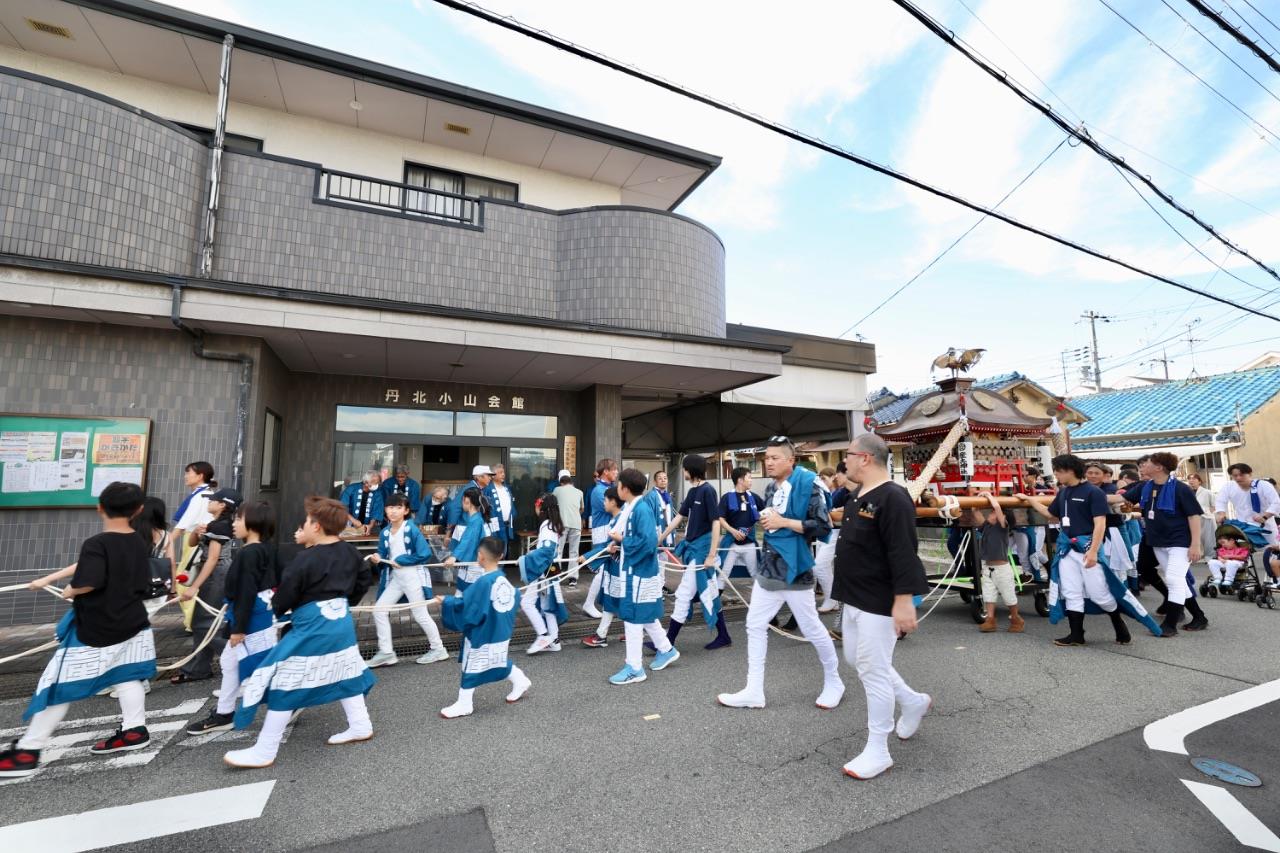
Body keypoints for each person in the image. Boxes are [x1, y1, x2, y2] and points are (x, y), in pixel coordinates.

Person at [0, 483, 155, 778]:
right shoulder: (138, 541)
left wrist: (71, 590)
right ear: (138, 511)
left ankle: (28, 752)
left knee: (58, 686)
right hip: (134, 623)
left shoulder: (97, 543)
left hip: (96, 630)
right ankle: (134, 730)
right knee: (127, 675)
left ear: (100, 507)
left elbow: (88, 581)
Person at [225, 497, 375, 768]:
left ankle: (265, 750)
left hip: (312, 625)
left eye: (306, 522)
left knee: (285, 680)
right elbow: (363, 580)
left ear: (316, 526)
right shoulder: (350, 552)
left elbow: (286, 596)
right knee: (345, 670)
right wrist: (344, 601)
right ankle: (360, 724)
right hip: (340, 621)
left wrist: (280, 609)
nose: (303, 526)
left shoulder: (305, 558)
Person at [717, 438, 843, 712]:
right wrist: (771, 522)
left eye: (775, 458)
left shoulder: (809, 484)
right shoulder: (771, 488)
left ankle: (835, 681)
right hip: (769, 565)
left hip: (796, 567)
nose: (769, 462)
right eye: (767, 457)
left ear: (791, 460)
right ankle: (753, 690)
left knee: (811, 628)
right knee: (754, 624)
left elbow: (824, 526)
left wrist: (782, 521)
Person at [830, 434, 930, 780]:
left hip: (878, 600)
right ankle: (912, 700)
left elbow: (903, 552)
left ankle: (878, 749)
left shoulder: (893, 497)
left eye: (848, 455)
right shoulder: (858, 495)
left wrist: (903, 601)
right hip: (854, 596)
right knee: (855, 659)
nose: (844, 461)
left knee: (873, 671)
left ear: (865, 458)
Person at [1019, 455, 1150, 646]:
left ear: (1070, 471)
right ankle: (1076, 634)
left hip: (1087, 546)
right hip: (1067, 549)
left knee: (1099, 593)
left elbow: (1100, 523)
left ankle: (1118, 623)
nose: (1056, 474)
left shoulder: (1093, 492)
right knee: (1071, 591)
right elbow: (1051, 514)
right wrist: (1030, 500)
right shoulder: (1063, 492)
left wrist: (1094, 551)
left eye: (1058, 470)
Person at [186, 501, 280, 735]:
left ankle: (287, 703)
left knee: (259, 668)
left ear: (254, 523)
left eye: (239, 519)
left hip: (251, 619)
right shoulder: (265, 548)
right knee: (233, 662)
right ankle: (224, 713)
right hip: (258, 614)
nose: (234, 524)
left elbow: (246, 591)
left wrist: (238, 628)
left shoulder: (249, 552)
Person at [440, 537, 532, 718]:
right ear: (501, 556)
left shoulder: (484, 582)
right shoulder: (503, 579)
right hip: (499, 632)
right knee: (497, 660)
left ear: (480, 556)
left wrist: (447, 601)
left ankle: (465, 704)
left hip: (484, 633)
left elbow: (468, 607)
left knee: (472, 664)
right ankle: (520, 680)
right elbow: (513, 598)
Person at [1117, 451, 1206, 636]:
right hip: (1158, 541)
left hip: (1180, 541)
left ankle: (1170, 624)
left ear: (1159, 467)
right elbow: (1120, 499)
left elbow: (1194, 516)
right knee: (1177, 581)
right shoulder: (1146, 486)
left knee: (1173, 579)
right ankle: (1199, 617)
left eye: (1148, 463)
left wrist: (1196, 544)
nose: (1144, 466)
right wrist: (1092, 496)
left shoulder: (1181, 489)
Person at [608, 469, 680, 685]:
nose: (617, 488)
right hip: (640, 571)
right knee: (645, 614)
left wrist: (622, 540)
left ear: (625, 488)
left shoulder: (639, 508)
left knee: (632, 617)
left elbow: (649, 543)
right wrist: (620, 543)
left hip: (638, 572)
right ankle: (666, 649)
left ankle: (634, 667)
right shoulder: (637, 506)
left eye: (619, 485)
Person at [365, 494, 450, 669]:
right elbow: (382, 553)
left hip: (412, 577)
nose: (393, 511)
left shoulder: (411, 529)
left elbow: (424, 553)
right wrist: (377, 557)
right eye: (390, 507)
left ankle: (438, 649)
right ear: (385, 510)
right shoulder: (385, 532)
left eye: (398, 508)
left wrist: (402, 560)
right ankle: (386, 652)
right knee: (379, 610)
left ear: (406, 510)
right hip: (396, 579)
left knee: (420, 615)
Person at [171, 488, 242, 685]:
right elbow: (192, 543)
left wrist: (194, 586)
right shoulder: (215, 524)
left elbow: (212, 559)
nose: (209, 502)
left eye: (213, 500)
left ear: (222, 505)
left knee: (206, 623)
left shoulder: (220, 526)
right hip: (214, 572)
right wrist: (196, 531)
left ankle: (242, 663)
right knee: (204, 622)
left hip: (216, 574)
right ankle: (198, 668)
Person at [660, 454, 728, 651]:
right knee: (709, 592)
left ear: (691, 470)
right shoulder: (693, 491)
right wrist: (660, 537)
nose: (683, 471)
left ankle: (667, 643)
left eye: (684, 468)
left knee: (684, 595)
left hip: (702, 551)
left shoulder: (708, 491)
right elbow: (679, 517)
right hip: (694, 549)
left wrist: (711, 555)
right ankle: (723, 635)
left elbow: (716, 523)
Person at [169, 461, 216, 628]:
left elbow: (183, 524)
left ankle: (192, 622)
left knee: (184, 580)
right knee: (189, 579)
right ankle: (192, 621)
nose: (185, 476)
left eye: (189, 472)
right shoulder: (205, 494)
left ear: (200, 475)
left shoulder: (201, 496)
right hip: (196, 539)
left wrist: (165, 543)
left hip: (195, 539)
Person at [521, 494, 568, 655]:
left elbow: (547, 551)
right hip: (549, 571)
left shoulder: (547, 526)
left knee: (526, 603)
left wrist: (526, 559)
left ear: (542, 508)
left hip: (544, 571)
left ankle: (543, 636)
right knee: (547, 607)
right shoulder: (552, 524)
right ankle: (554, 640)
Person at [579, 486, 625, 648]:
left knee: (619, 601)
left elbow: (609, 545)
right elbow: (609, 546)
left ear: (613, 502)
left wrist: (587, 557)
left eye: (605, 500)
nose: (603, 503)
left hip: (620, 568)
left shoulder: (621, 520)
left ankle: (657, 640)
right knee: (613, 601)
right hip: (615, 567)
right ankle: (602, 634)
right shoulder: (616, 519)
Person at [972, 491, 1024, 633]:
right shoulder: (986, 526)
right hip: (987, 568)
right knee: (988, 595)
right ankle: (990, 620)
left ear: (1003, 516)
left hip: (1002, 569)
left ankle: (1016, 618)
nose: (990, 513)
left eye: (993, 512)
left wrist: (989, 496)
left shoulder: (1002, 527)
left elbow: (997, 507)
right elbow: (975, 511)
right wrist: (978, 498)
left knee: (1008, 596)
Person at [582, 458, 619, 615]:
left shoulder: (608, 488)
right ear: (605, 472)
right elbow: (615, 508)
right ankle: (589, 603)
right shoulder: (599, 491)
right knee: (603, 570)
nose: (616, 472)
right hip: (603, 531)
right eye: (614, 469)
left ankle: (604, 605)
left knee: (607, 570)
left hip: (609, 530)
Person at [715, 466, 763, 587]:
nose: (751, 480)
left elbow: (765, 512)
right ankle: (716, 599)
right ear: (740, 480)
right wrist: (733, 531)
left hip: (750, 543)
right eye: (749, 478)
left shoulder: (754, 497)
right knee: (723, 574)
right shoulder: (726, 497)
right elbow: (720, 518)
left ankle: (760, 598)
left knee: (756, 574)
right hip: (731, 543)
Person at [1215, 463, 1280, 545]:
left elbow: (1276, 502)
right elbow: (1220, 501)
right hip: (1243, 527)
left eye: (1241, 475)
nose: (1238, 478)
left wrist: (1265, 516)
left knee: (1272, 549)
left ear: (1250, 474)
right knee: (1246, 550)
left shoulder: (1263, 485)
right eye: (1235, 475)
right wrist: (1221, 514)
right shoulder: (1228, 486)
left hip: (1265, 526)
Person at [443, 487, 491, 593]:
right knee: (463, 594)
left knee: (466, 594)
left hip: (473, 564)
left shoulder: (476, 520)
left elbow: (467, 540)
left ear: (467, 502)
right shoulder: (477, 518)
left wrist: (454, 557)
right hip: (472, 562)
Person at [813, 467, 840, 614]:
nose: (822, 482)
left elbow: (860, 512)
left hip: (836, 532)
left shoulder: (841, 493)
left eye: (824, 478)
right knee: (822, 566)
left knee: (820, 566)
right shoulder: (827, 493)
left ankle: (832, 599)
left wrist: (834, 513)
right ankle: (832, 599)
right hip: (827, 532)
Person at [552, 470, 584, 574]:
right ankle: (573, 577)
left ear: (560, 480)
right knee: (574, 551)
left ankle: (556, 575)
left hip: (562, 524)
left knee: (558, 550)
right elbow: (581, 509)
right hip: (576, 524)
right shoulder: (579, 492)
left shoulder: (556, 490)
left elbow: (552, 505)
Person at [1187, 473, 1217, 558]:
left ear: (1199, 481)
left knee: (1209, 538)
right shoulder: (1187, 492)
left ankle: (1211, 556)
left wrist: (1208, 512)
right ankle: (1197, 556)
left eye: (1194, 479)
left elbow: (1214, 505)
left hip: (1206, 518)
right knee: (1195, 537)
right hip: (1192, 518)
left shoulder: (1207, 492)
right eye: (1189, 479)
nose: (1191, 481)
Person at [490, 464, 515, 551]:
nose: (503, 474)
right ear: (493, 475)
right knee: (496, 549)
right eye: (500, 472)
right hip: (495, 524)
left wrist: (513, 514)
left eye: (503, 472)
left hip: (507, 523)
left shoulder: (506, 488)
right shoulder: (489, 489)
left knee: (505, 549)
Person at [653, 469, 676, 547]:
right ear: (655, 481)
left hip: (668, 531)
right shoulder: (651, 497)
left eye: (665, 478)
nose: (663, 480)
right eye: (660, 478)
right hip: (657, 533)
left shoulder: (667, 496)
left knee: (667, 551)